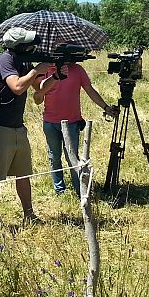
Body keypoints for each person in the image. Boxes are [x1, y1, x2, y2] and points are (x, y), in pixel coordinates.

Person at [0, 27, 52, 224]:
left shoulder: (24, 60)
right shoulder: (6, 59)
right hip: (0, 127)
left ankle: (29, 215)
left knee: (23, 174)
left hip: (17, 127)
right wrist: (36, 70)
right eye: (28, 43)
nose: (32, 46)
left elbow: (38, 91)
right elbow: (17, 87)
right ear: (17, 45)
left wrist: (55, 77)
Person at [33, 62, 118, 196]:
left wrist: (106, 108)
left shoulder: (77, 70)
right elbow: (37, 98)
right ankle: (59, 190)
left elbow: (90, 90)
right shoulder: (43, 69)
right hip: (50, 122)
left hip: (72, 122)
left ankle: (80, 190)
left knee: (72, 158)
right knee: (54, 157)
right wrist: (53, 77)